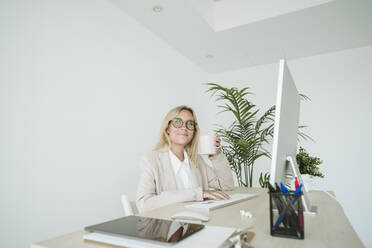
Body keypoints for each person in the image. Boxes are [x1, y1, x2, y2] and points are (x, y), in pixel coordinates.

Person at [136, 105, 234, 213]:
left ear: (193, 132)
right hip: (169, 226)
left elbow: (226, 186)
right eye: (177, 122)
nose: (184, 128)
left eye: (189, 124)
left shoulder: (197, 161)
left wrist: (216, 154)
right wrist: (198, 194)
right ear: (167, 128)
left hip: (197, 223)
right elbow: (143, 204)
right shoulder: (151, 160)